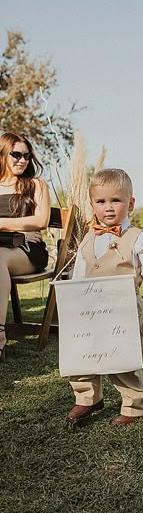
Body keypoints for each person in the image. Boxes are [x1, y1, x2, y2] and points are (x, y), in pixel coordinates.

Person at [66, 168, 143, 426]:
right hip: (89, 311)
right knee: (81, 355)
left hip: (124, 312)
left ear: (130, 203)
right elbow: (79, 270)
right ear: (92, 205)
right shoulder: (88, 237)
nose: (108, 208)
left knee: (124, 359)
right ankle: (87, 398)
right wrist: (73, 297)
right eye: (101, 201)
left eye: (116, 200)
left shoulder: (137, 237)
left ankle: (134, 406)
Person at [0, 133, 50, 362]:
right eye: (16, 154)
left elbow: (41, 220)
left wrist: (2, 223)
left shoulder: (35, 184)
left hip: (28, 250)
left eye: (27, 156)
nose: (22, 160)